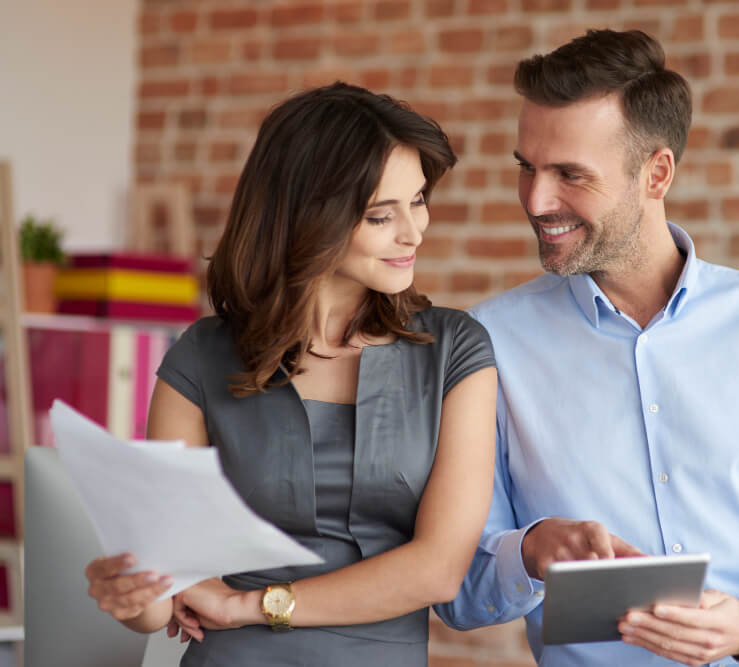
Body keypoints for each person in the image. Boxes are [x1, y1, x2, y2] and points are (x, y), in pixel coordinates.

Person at [434, 29, 739, 667]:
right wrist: (530, 550)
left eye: (570, 174)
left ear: (656, 173)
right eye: (528, 167)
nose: (537, 200)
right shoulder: (488, 342)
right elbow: (459, 594)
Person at [84, 82, 498, 666]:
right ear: (310, 218)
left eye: (419, 200)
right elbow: (163, 589)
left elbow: (439, 570)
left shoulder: (455, 350)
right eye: (382, 214)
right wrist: (129, 593)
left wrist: (250, 606)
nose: (414, 232)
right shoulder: (202, 358)